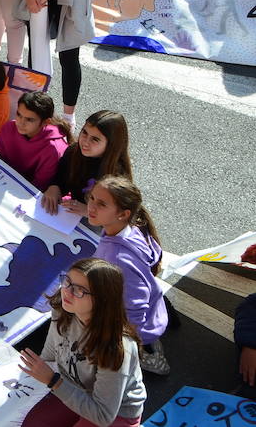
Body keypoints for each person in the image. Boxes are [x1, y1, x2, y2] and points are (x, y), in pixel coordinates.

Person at [18, 258, 147, 427]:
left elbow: (103, 416)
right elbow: (49, 357)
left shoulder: (115, 348)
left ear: (102, 300)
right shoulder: (62, 310)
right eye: (67, 282)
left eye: (80, 290)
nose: (67, 292)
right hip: (75, 388)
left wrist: (53, 381)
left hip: (115, 413)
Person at [87, 176, 171, 375]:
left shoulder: (118, 259)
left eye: (101, 204)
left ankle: (144, 355)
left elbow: (134, 308)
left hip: (135, 328)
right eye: (92, 198)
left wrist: (120, 345)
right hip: (153, 310)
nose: (91, 206)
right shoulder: (128, 230)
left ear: (123, 214)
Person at [0, 91, 70, 190]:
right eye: (19, 115)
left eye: (29, 119)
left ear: (45, 122)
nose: (21, 123)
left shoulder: (53, 149)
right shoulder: (8, 128)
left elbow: (40, 184)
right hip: (2, 181)